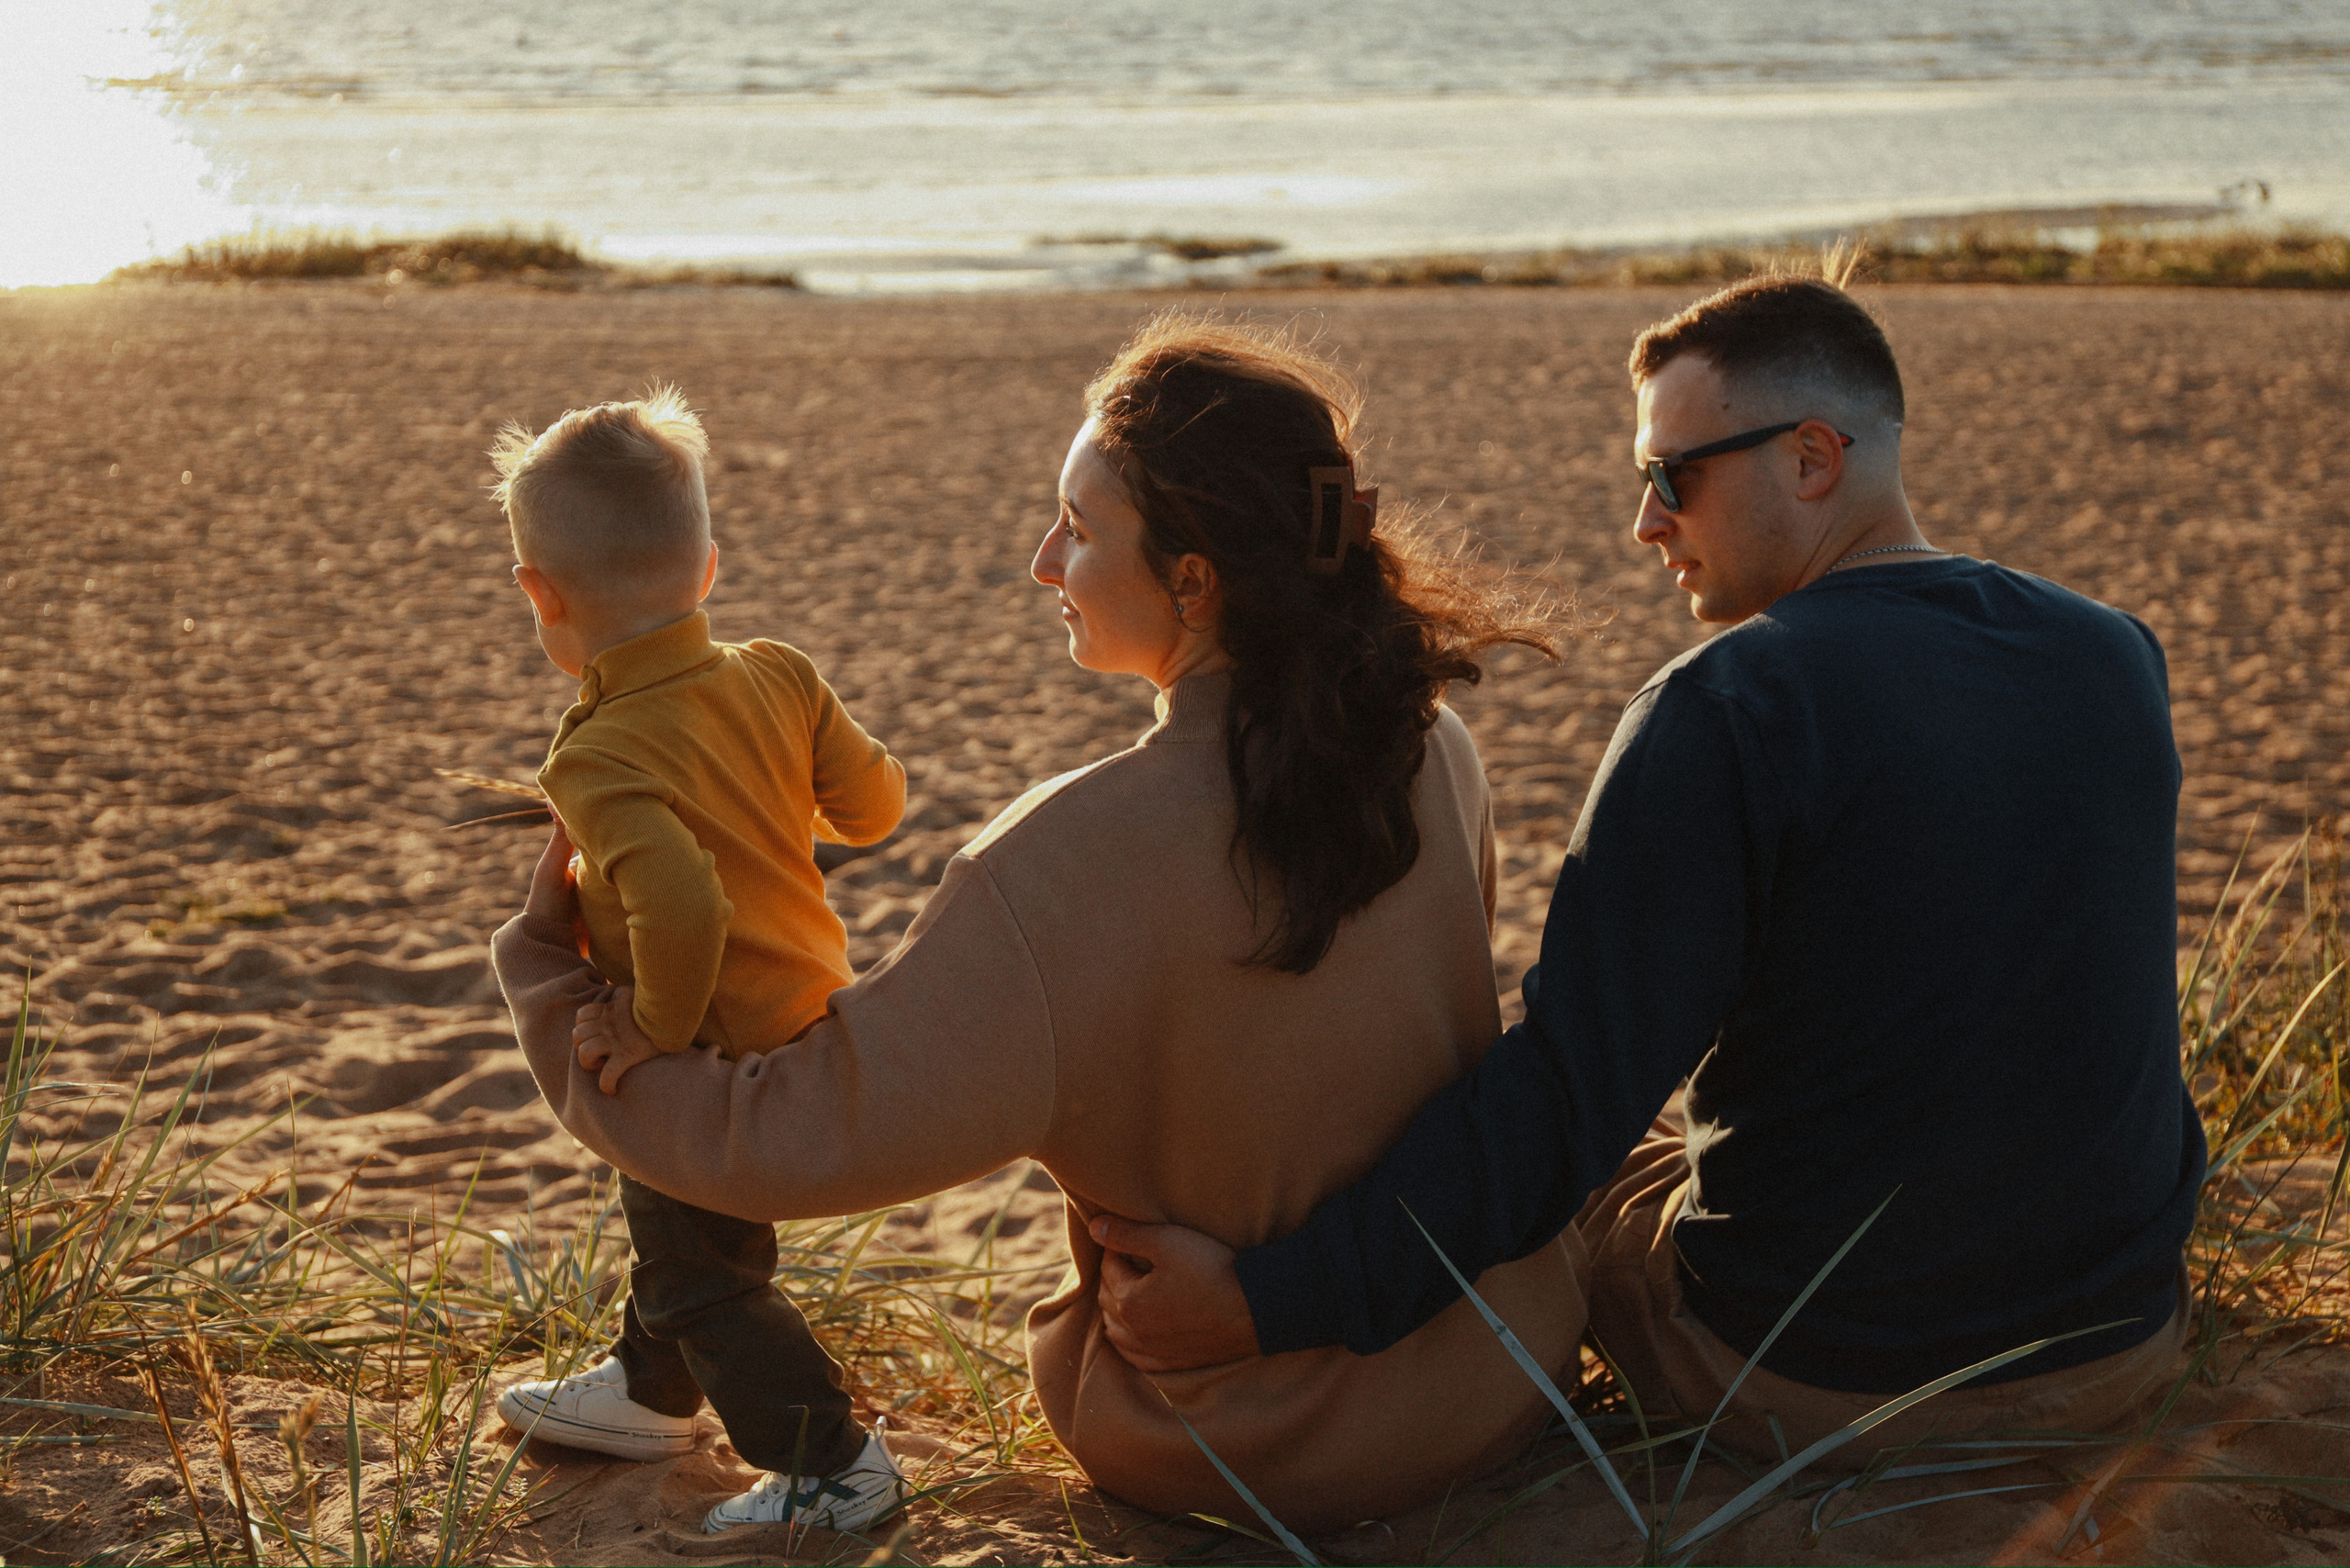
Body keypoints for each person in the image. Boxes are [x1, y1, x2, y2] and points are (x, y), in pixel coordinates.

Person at [1092, 276, 2207, 1470]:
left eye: (1673, 476)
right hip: (2120, 1343)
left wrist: (1266, 1298)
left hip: (1825, 1372)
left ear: (1814, 458)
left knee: (1572, 1195)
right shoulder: (2111, 652)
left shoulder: (1726, 708)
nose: (1646, 523)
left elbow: (1561, 1104)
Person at [491, 315, 1577, 1533]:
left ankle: (669, 1385)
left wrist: (549, 980)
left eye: (1078, 527)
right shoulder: (1436, 746)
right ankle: (650, 1378)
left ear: (1194, 580)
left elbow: (792, 1145)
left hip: (1248, 1441)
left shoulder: (1060, 866)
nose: (1041, 560)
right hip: (1504, 1361)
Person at [483, 389, 912, 1535]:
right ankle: (648, 1391)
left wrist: (650, 1030)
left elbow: (682, 902)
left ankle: (832, 1461)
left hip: (709, 1037)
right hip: (808, 1005)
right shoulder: (778, 671)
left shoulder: (600, 750)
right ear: (708, 568)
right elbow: (875, 806)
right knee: (672, 1220)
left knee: (700, 1271)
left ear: (540, 593)